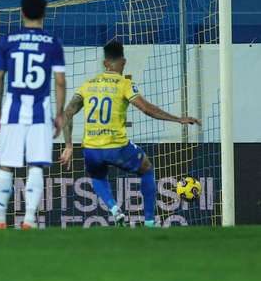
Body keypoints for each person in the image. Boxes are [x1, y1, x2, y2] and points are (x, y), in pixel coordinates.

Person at [60, 40, 200, 227]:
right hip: (116, 147)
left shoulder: (87, 85)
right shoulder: (124, 84)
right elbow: (147, 109)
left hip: (91, 149)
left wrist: (68, 145)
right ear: (123, 62)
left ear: (105, 63)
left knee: (97, 177)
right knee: (146, 168)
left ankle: (114, 210)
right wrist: (178, 119)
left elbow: (67, 113)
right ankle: (149, 222)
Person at [0, 0, 66, 230]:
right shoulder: (52, 43)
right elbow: (60, 81)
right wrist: (60, 113)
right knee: (36, 164)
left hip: (13, 108)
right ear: (44, 13)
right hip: (39, 109)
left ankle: (0, 219)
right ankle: (30, 219)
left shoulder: (8, 40)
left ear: (21, 12)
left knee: (6, 165)